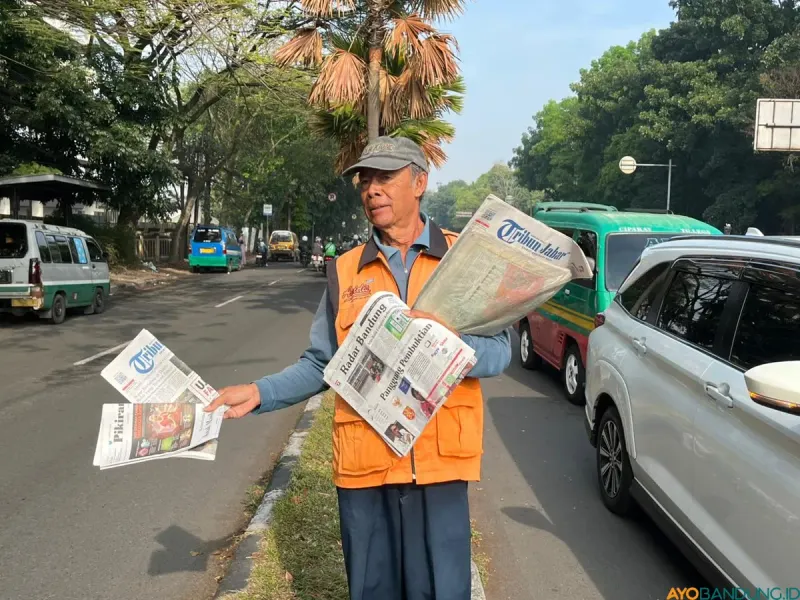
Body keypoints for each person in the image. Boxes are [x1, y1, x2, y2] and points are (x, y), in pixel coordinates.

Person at [205, 136, 512, 600]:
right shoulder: (345, 271)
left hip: (440, 468)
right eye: (365, 181)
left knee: (443, 590)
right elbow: (321, 363)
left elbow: (500, 352)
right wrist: (259, 392)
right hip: (366, 467)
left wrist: (445, 346)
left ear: (420, 182)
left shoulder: (462, 258)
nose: (372, 190)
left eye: (385, 178)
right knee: (372, 590)